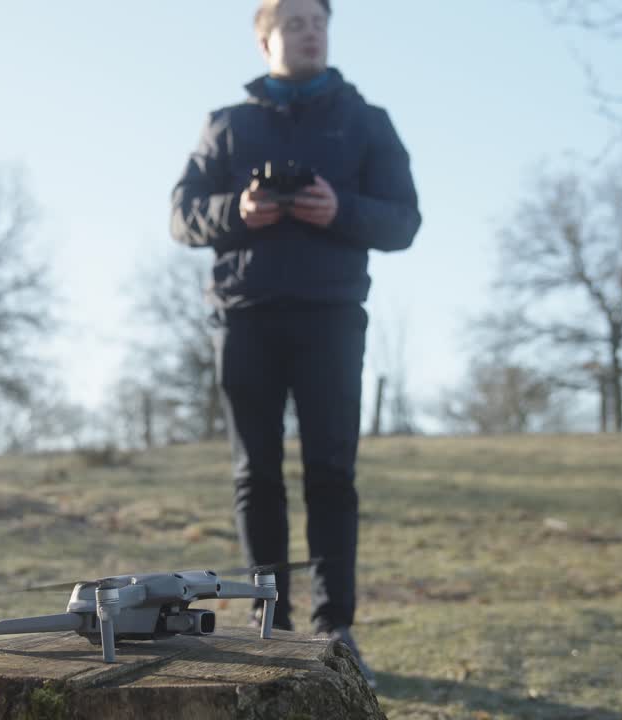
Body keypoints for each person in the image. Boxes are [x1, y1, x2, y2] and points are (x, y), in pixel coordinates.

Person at [169, 0, 421, 689]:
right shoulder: (228, 124)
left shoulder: (366, 122)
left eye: (319, 22)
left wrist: (341, 210)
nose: (310, 33)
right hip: (244, 318)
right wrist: (236, 211)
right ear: (264, 39)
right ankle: (270, 626)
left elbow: (404, 221)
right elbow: (181, 215)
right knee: (256, 476)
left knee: (332, 475)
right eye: (295, 24)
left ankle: (334, 627)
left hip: (332, 318)